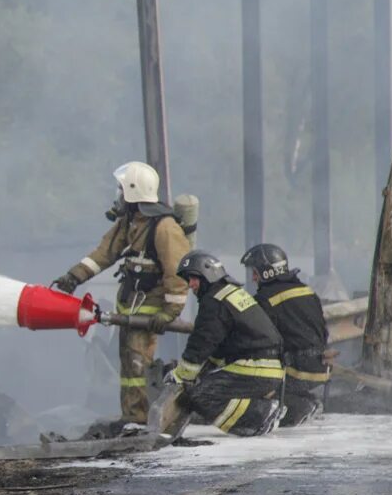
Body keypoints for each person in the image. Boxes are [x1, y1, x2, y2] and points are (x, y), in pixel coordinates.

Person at [51, 162, 189, 433]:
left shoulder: (164, 227)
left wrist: (169, 313)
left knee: (137, 363)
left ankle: (138, 419)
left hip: (149, 309)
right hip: (130, 305)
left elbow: (177, 271)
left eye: (122, 190)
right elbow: (104, 252)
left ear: (134, 192)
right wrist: (73, 277)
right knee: (128, 364)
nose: (118, 196)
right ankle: (132, 415)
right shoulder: (131, 221)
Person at [161, 250, 284, 437]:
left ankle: (259, 415)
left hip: (256, 367)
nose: (191, 285)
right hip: (269, 367)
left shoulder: (214, 300)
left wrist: (181, 374)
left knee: (201, 395)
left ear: (209, 274)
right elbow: (221, 344)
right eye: (188, 280)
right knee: (207, 385)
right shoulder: (231, 294)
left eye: (194, 278)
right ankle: (261, 411)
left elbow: (201, 342)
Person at [240, 243, 329, 427]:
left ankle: (296, 404)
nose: (254, 278)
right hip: (321, 369)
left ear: (267, 272)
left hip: (295, 371)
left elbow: (256, 339)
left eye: (255, 272)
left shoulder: (265, 299)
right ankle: (304, 400)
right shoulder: (307, 291)